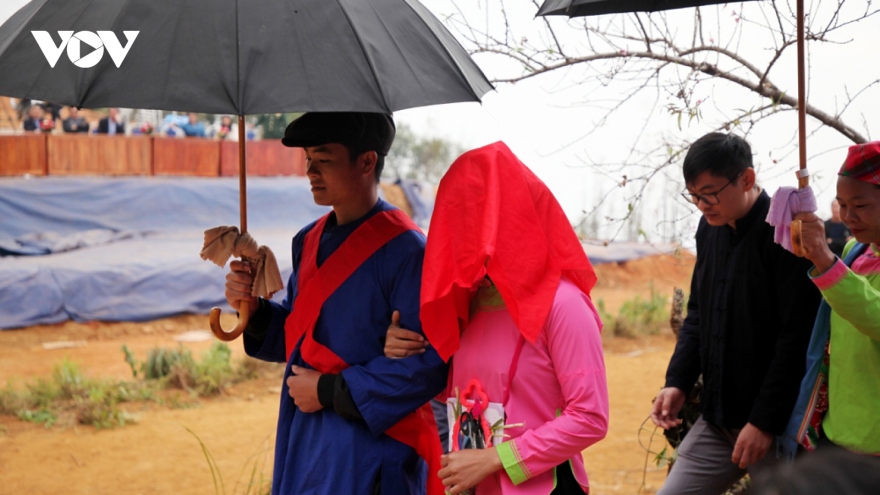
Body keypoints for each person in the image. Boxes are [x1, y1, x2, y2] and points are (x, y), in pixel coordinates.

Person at [222, 112, 448, 495]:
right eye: (308, 158)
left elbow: (426, 366)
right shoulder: (307, 241)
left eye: (324, 160)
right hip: (307, 438)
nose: (310, 171)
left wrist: (328, 391)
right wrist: (255, 310)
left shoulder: (409, 252)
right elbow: (300, 336)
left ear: (366, 161)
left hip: (371, 449)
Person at [385, 142, 609, 494]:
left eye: (476, 216)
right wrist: (399, 346)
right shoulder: (468, 303)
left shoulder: (564, 305)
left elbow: (590, 418)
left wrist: (495, 459)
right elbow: (442, 388)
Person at [649, 133, 820, 495]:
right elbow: (698, 313)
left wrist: (763, 422)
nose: (701, 205)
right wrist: (677, 380)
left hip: (774, 425)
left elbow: (797, 337)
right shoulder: (707, 229)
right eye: (694, 195)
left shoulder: (786, 234)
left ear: (746, 178)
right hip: (717, 417)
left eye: (709, 192)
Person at [783, 141, 880, 457]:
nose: (849, 216)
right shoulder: (856, 250)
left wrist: (825, 259)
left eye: (861, 205)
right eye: (842, 204)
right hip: (838, 432)